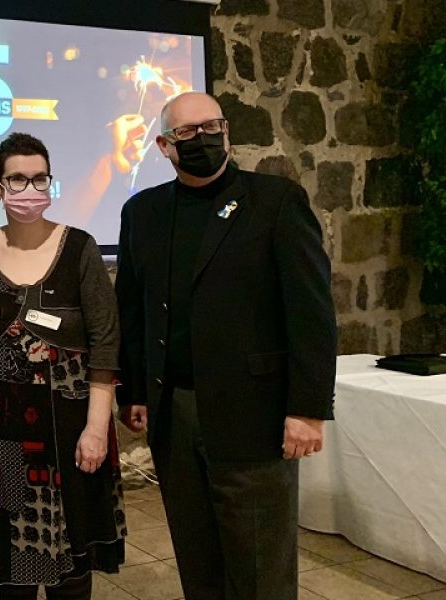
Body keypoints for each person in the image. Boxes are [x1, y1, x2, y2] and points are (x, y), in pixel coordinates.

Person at [115, 91, 337, 600]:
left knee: (260, 570)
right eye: (188, 133)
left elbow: (311, 314)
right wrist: (135, 392)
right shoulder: (142, 212)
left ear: (228, 131)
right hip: (176, 416)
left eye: (212, 127)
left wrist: (307, 410)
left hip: (253, 417)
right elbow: (132, 309)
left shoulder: (276, 202)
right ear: (165, 146)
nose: (203, 139)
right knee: (199, 566)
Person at [0, 133, 126, 600]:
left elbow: (106, 342)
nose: (29, 188)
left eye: (39, 178)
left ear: (51, 182)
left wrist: (96, 428)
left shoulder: (80, 248)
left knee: (70, 566)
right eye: (18, 179)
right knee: (15, 566)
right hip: (4, 435)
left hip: (69, 430)